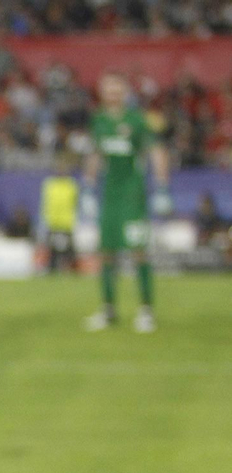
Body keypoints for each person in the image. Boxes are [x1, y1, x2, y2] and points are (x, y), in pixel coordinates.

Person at [82, 73, 172, 334]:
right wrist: (88, 187)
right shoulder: (98, 121)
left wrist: (162, 187)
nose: (112, 94)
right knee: (106, 253)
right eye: (107, 90)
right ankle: (108, 310)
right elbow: (96, 154)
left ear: (125, 92)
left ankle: (146, 311)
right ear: (101, 93)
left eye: (117, 89)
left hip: (133, 194)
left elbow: (157, 151)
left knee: (138, 251)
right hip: (109, 194)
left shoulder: (137, 120)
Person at [40, 158, 79, 273]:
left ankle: (72, 272)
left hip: (66, 224)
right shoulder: (50, 184)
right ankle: (51, 271)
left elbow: (74, 204)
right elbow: (45, 203)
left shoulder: (72, 185)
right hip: (53, 223)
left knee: (69, 252)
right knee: (52, 252)